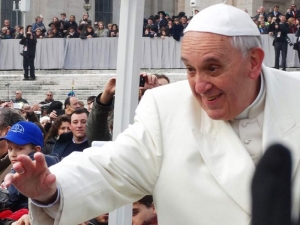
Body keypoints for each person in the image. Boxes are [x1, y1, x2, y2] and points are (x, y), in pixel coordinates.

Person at [6, 3, 300, 224]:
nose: (199, 85)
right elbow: (111, 168)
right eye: (189, 68)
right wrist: (50, 190)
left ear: (253, 62)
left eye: (212, 68)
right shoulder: (165, 107)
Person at [1, 121, 59, 212]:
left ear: (36, 150)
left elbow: (8, 201)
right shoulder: (54, 161)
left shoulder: (21, 170)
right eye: (10, 148)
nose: (12, 154)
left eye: (19, 148)